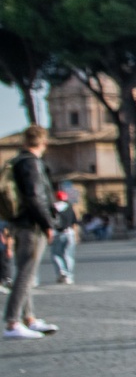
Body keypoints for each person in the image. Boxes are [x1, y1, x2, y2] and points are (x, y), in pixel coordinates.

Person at [5, 126, 60, 339]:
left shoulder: (16, 161)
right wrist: (47, 223)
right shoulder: (32, 163)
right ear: (43, 142)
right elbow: (35, 196)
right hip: (31, 225)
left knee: (25, 272)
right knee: (26, 274)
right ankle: (12, 322)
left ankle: (28, 318)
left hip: (19, 222)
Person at [46, 184, 79, 285]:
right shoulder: (69, 208)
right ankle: (69, 275)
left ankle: (61, 271)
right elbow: (74, 222)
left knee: (56, 254)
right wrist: (76, 235)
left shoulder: (52, 208)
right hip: (69, 233)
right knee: (68, 255)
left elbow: (48, 222)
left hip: (56, 233)